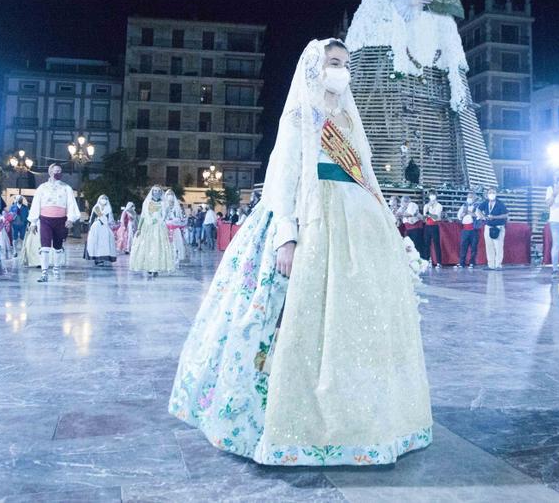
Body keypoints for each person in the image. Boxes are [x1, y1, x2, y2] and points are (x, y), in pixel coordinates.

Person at [169, 38, 431, 466]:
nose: (341, 70)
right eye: (333, 62)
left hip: (356, 229)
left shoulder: (348, 116)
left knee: (360, 325)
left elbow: (366, 175)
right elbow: (282, 179)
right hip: (312, 221)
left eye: (345, 64)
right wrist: (286, 236)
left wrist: (388, 227)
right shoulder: (300, 116)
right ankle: (296, 421)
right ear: (315, 67)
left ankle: (364, 417)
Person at [27, 163, 80, 282]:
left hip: (60, 221)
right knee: (45, 247)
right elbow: (36, 204)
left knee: (58, 247)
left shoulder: (66, 188)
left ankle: (56, 269)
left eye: (60, 171)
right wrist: (33, 222)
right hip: (45, 220)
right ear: (50, 172)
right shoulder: (42, 187)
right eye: (56, 171)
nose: (58, 173)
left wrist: (70, 219)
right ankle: (44, 273)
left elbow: (71, 203)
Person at [130, 185, 176, 277]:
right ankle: (149, 266)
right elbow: (143, 216)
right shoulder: (147, 203)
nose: (156, 193)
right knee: (147, 247)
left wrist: (159, 220)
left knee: (158, 247)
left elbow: (165, 216)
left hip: (159, 228)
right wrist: (139, 228)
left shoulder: (163, 204)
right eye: (154, 191)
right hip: (147, 227)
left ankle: (155, 268)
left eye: (158, 191)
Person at [479, 186, 508, 270]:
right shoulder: (485, 202)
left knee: (498, 246)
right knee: (489, 246)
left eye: (493, 192)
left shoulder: (500, 204)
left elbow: (505, 215)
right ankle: (491, 265)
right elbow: (478, 210)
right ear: (487, 194)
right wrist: (482, 216)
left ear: (496, 194)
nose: (491, 194)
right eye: (490, 192)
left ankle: (498, 264)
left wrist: (495, 217)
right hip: (488, 226)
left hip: (498, 227)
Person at [85, 195, 117, 266]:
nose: (104, 200)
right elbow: (92, 218)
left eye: (105, 199)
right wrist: (89, 229)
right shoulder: (96, 208)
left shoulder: (108, 208)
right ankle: (97, 259)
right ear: (99, 199)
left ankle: (103, 258)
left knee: (104, 244)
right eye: (102, 198)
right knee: (96, 243)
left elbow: (109, 220)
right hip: (96, 227)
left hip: (105, 228)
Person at [456, 192, 480, 268]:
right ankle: (461, 262)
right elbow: (459, 216)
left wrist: (468, 212)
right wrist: (463, 214)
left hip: (473, 229)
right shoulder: (464, 206)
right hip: (465, 229)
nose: (469, 199)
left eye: (471, 197)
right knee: (463, 246)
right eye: (468, 197)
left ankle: (472, 262)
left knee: (473, 247)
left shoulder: (477, 206)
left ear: (474, 198)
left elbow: (478, 215)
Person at [399, 194, 425, 262]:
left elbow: (410, 214)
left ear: (406, 201)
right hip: (408, 228)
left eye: (402, 202)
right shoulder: (403, 207)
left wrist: (401, 214)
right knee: (410, 244)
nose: (401, 204)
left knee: (416, 244)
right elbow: (398, 213)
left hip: (415, 228)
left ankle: (420, 260)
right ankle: (412, 259)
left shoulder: (412, 204)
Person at [422, 191, 443, 268]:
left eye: (433, 195)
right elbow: (424, 218)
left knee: (436, 244)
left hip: (434, 226)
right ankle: (426, 261)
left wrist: (429, 214)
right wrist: (427, 211)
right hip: (427, 226)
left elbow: (436, 218)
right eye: (430, 195)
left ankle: (438, 262)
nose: (432, 196)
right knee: (426, 244)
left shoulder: (439, 205)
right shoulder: (426, 205)